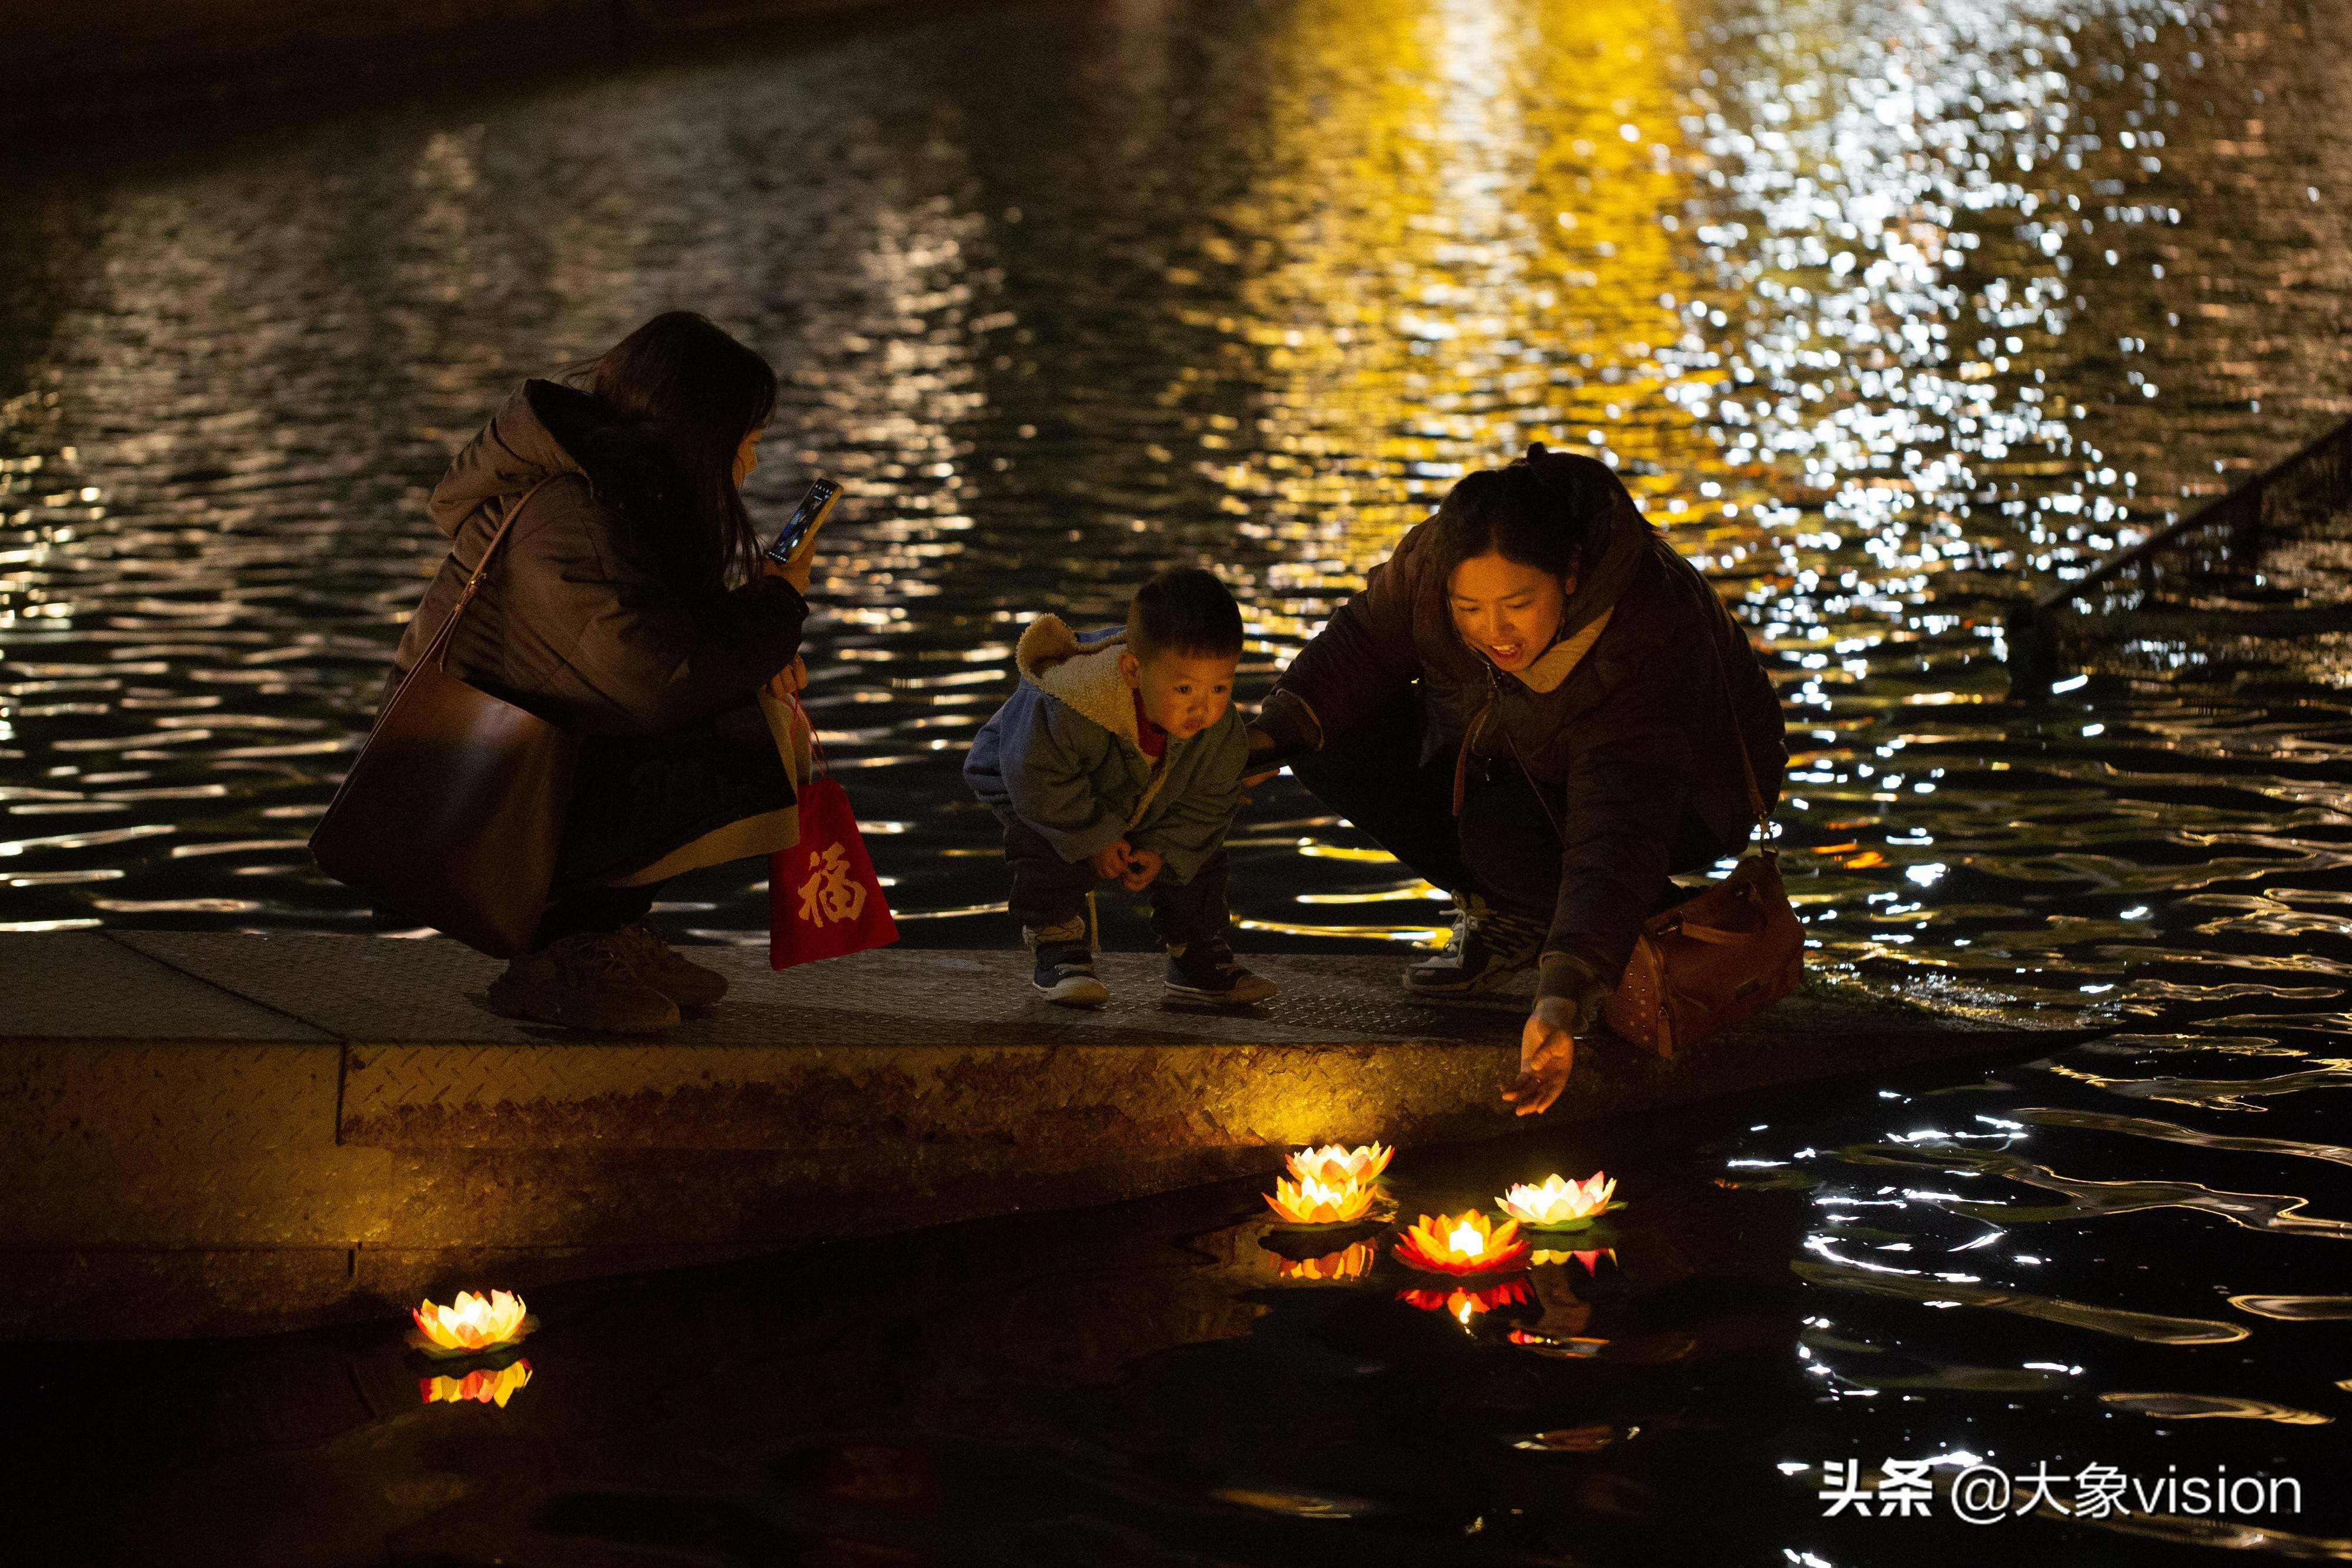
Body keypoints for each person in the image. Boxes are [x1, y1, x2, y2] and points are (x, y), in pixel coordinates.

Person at [1248, 443, 1786, 1114]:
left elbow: (1616, 825)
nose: (1493, 631)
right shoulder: (1432, 562)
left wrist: (1560, 995)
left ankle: (1592, 923)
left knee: (1508, 841)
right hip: (1524, 751)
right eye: (1468, 608)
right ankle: (1511, 914)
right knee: (1326, 736)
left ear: (1567, 574)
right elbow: (1356, 648)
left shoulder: (1643, 632)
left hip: (1688, 798)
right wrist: (1252, 746)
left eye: (1516, 604)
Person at [387, 311, 815, 1033]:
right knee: (751, 735)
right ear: (696, 434)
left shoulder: (616, 499)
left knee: (762, 716)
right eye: (745, 443)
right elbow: (655, 682)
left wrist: (760, 641)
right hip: (463, 798)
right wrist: (778, 603)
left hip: (521, 772)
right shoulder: (569, 513)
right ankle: (562, 957)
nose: (749, 465)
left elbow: (650, 655)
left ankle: (607, 931)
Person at [964, 567, 1278, 1008]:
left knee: (1200, 850)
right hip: (1027, 777)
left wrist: (1164, 849)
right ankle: (1058, 943)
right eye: (1184, 687)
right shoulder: (1071, 703)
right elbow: (1038, 778)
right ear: (1133, 670)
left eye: (1221, 686)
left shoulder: (1218, 729)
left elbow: (1211, 799)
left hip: (1140, 787)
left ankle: (1195, 954)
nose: (1203, 707)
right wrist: (1095, 836)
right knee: (1047, 838)